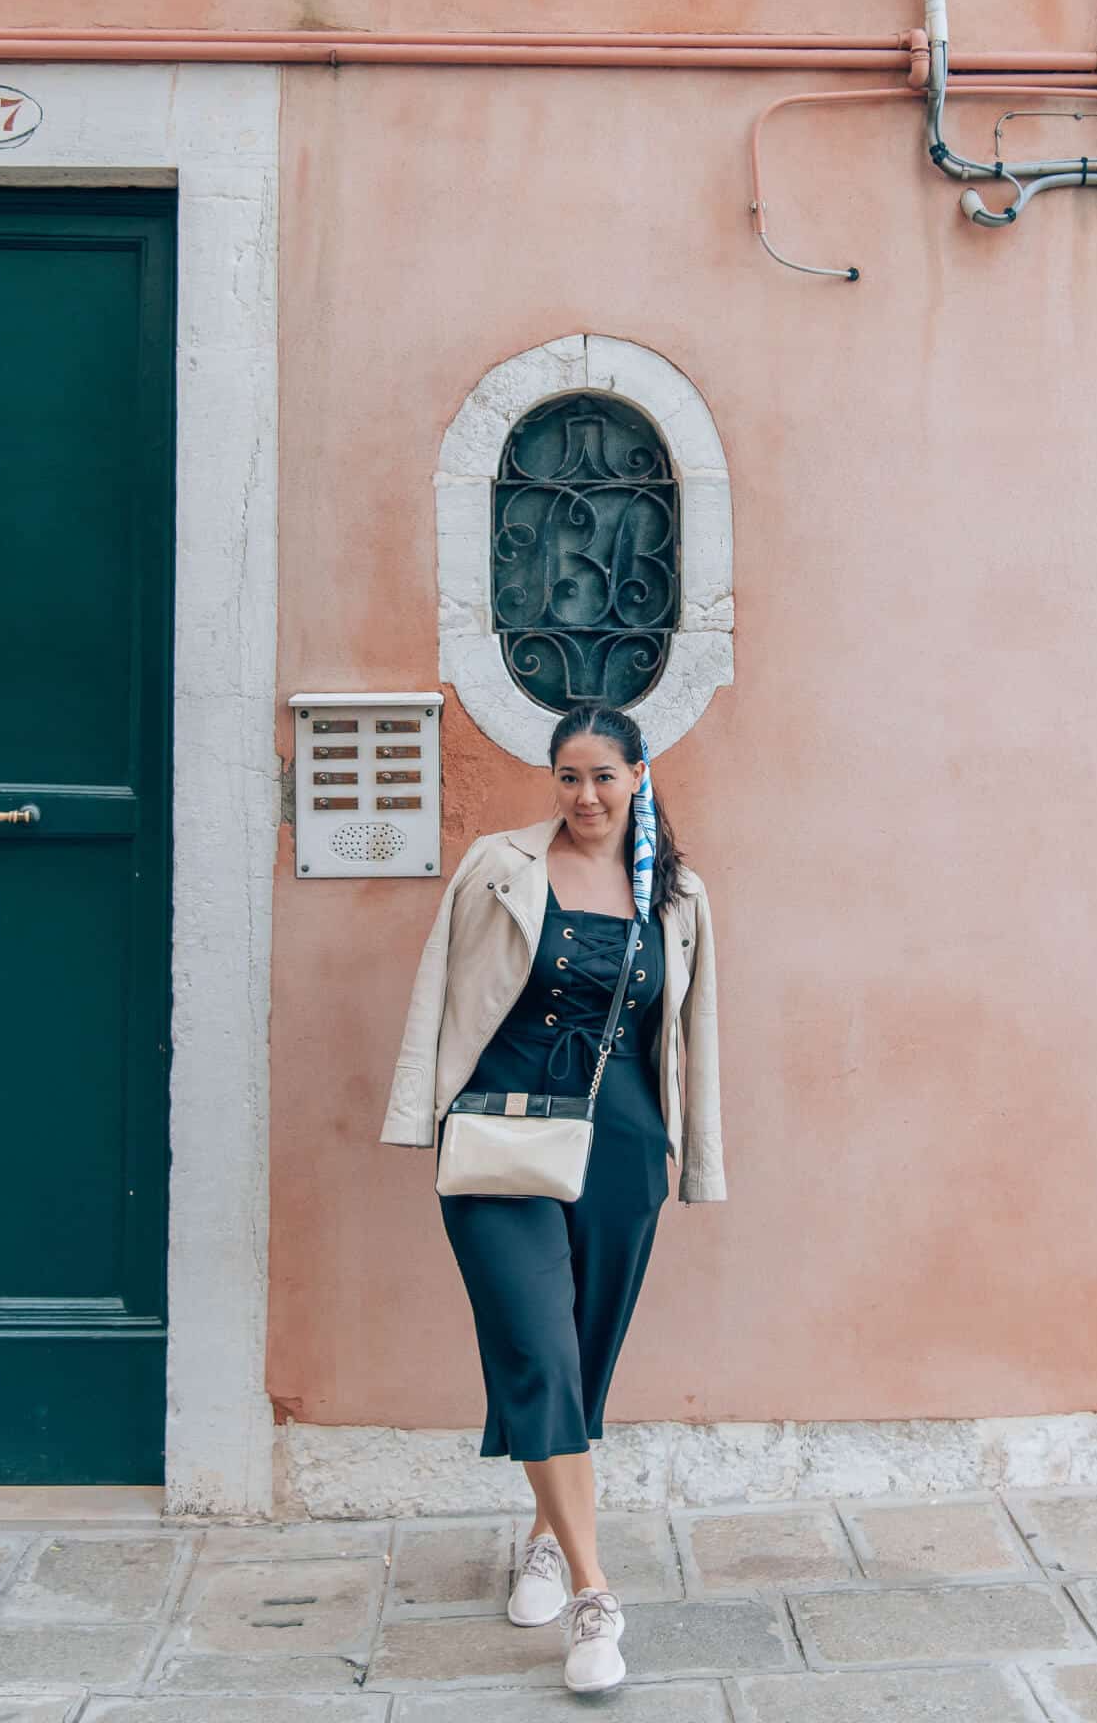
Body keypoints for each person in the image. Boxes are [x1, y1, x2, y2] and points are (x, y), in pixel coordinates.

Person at [380, 701, 725, 1695]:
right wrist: (418, 1113)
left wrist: (693, 1158)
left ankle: (541, 1533)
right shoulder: (497, 865)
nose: (584, 796)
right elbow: (439, 991)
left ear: (638, 776)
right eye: (567, 776)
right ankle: (591, 1593)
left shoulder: (677, 892)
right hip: (495, 1135)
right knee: (535, 1345)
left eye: (602, 776)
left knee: (580, 1355)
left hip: (621, 1146)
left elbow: (692, 1033)